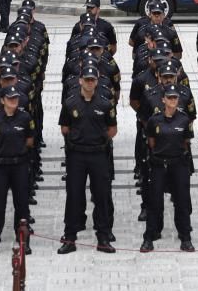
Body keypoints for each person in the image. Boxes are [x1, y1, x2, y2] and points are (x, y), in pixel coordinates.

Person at [57, 65, 118, 254]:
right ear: (80, 80)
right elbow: (65, 128)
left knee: (101, 196)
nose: (90, 83)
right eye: (87, 79)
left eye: (93, 80)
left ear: (97, 81)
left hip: (98, 154)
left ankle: (103, 237)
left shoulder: (105, 103)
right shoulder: (70, 102)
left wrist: (97, 139)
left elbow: (112, 130)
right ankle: (70, 237)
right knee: (74, 196)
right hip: (77, 155)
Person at [142, 84, 195, 253]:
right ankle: (150, 236)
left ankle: (185, 237)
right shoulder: (154, 120)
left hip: (178, 164)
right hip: (159, 164)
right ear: (163, 99)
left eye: (175, 98)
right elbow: (151, 142)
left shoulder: (184, 120)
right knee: (154, 201)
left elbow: (186, 142)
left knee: (182, 201)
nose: (173, 100)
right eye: (170, 97)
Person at [0, 85, 34, 256]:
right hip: (0, 165)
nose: (13, 101)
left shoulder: (25, 117)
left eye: (15, 98)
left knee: (21, 204)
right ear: (2, 100)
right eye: (10, 98)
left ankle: (23, 240)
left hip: (19, 164)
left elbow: (29, 140)